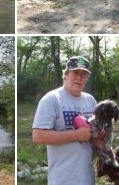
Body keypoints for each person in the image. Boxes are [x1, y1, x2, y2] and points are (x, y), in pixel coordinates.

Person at [32, 56, 97, 185]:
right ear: (66, 74)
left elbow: (97, 133)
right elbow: (38, 136)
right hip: (63, 179)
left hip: (88, 179)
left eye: (83, 74)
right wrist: (76, 135)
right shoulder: (51, 99)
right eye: (75, 73)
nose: (79, 77)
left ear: (87, 78)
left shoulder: (91, 100)